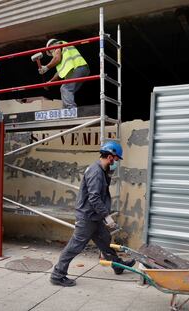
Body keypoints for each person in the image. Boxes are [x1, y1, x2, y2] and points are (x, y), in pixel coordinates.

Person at [50, 141, 136, 287]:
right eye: (115, 160)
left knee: (105, 240)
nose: (116, 163)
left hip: (94, 216)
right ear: (110, 157)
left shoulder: (102, 171)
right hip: (87, 217)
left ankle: (117, 265)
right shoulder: (96, 172)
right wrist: (107, 217)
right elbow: (94, 197)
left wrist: (109, 173)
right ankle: (57, 274)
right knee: (75, 246)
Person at [38, 38, 90, 109]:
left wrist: (46, 67)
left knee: (65, 88)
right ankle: (66, 109)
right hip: (82, 69)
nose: (52, 53)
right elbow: (58, 73)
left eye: (50, 51)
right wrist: (50, 82)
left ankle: (71, 109)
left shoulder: (58, 44)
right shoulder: (64, 52)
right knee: (68, 91)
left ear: (51, 45)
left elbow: (57, 58)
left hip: (77, 69)